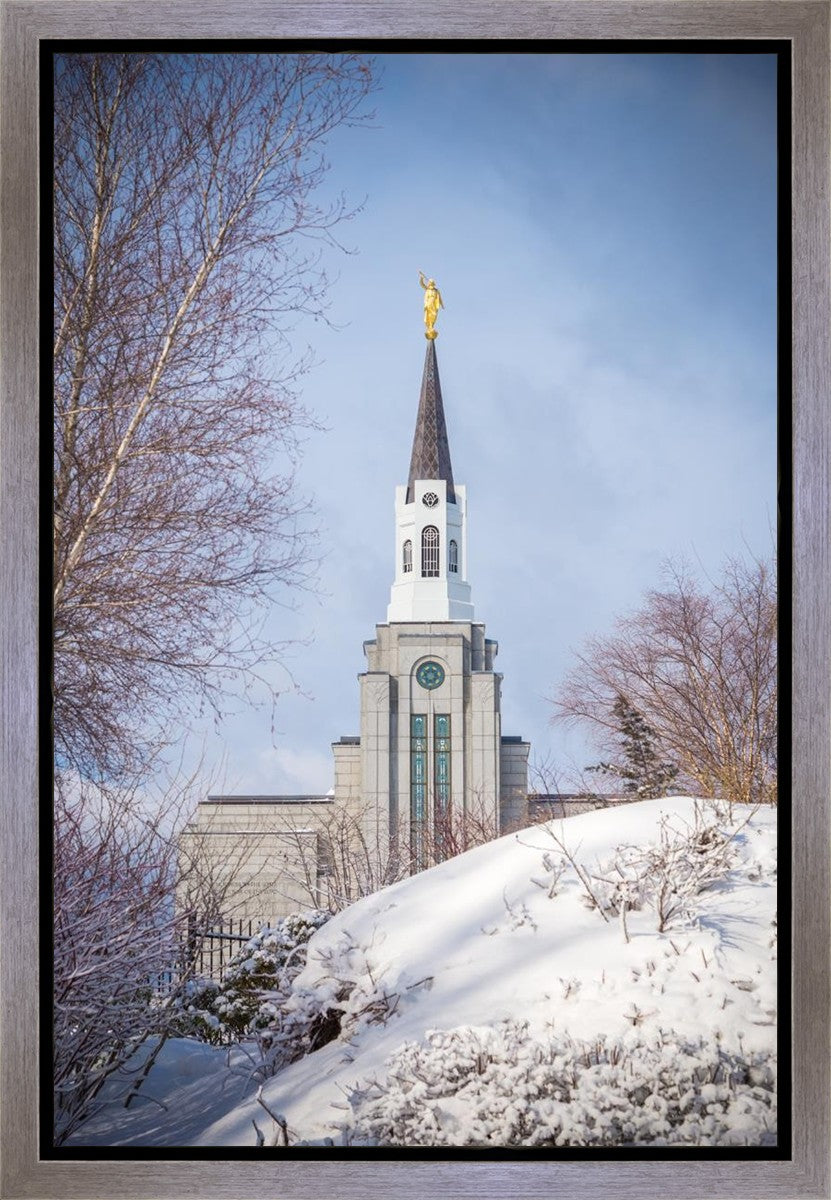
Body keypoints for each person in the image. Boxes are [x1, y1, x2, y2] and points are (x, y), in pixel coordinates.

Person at [419, 270, 444, 335]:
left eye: (430, 282)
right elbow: (422, 284)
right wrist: (421, 278)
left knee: (434, 315)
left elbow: (440, 298)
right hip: (429, 303)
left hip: (434, 304)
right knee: (429, 315)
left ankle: (432, 326)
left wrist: (442, 305)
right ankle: (429, 326)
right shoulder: (427, 289)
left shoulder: (436, 290)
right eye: (429, 282)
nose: (429, 283)